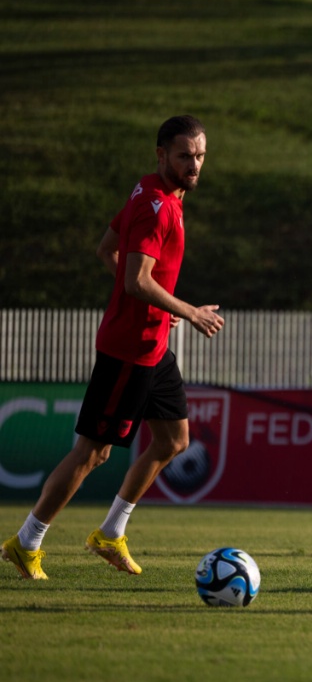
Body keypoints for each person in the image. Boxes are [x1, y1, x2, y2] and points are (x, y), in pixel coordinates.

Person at [2, 115, 225, 580]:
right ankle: (27, 543)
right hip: (130, 351)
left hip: (153, 344)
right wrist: (186, 310)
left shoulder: (148, 191)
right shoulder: (156, 206)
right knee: (92, 453)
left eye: (200, 155)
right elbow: (136, 279)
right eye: (184, 155)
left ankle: (110, 533)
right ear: (161, 154)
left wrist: (157, 312)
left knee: (173, 439)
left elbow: (106, 251)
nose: (194, 164)